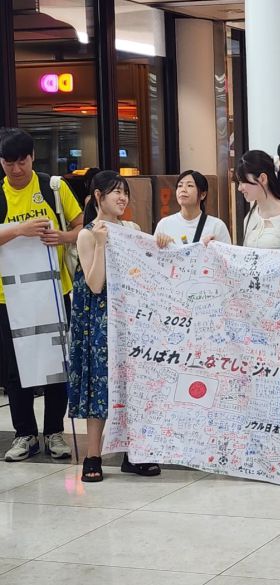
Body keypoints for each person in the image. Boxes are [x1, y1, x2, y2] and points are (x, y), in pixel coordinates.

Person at [69, 170, 160, 481]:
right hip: (98, 322)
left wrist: (160, 242)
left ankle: (133, 454)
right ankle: (92, 455)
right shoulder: (87, 234)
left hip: (129, 320)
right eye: (116, 192)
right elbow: (95, 284)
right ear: (98, 196)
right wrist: (100, 245)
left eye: (125, 192)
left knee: (130, 384)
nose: (123, 198)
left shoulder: (131, 229)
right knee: (99, 384)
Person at [0, 128, 83, 462]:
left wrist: (63, 237)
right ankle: (24, 434)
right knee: (15, 369)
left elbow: (82, 227)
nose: (16, 169)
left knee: (56, 365)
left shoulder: (53, 187)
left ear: (33, 157)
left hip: (53, 291)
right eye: (9, 163)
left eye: (22, 162)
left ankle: (54, 432)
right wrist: (19, 230)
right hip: (8, 298)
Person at [154, 170, 231, 248]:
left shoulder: (217, 226)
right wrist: (166, 248)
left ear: (203, 195)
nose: (183, 189)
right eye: (180, 186)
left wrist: (211, 249)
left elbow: (228, 254)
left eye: (190, 185)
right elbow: (152, 254)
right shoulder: (164, 224)